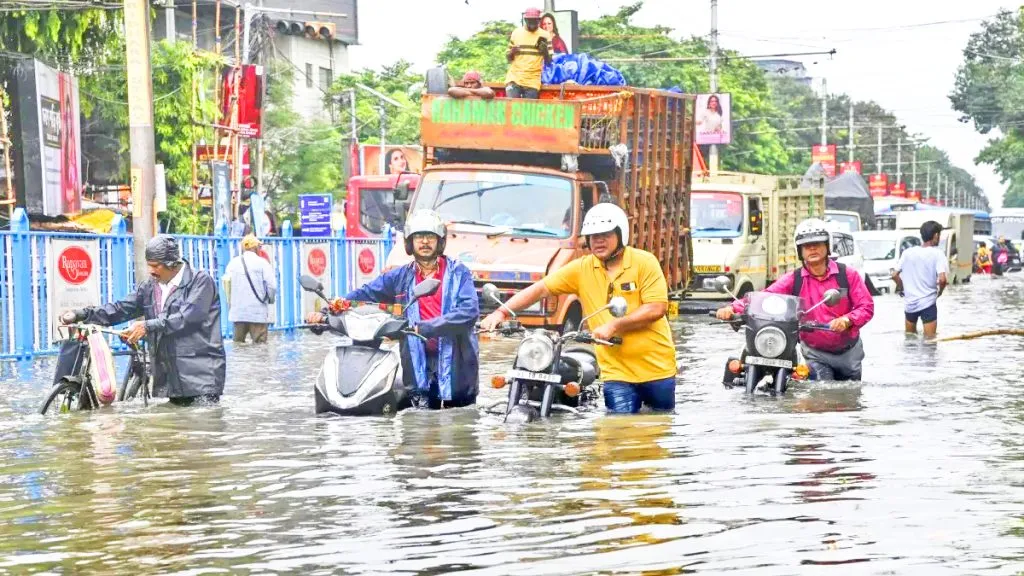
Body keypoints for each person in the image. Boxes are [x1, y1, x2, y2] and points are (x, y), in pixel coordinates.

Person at [480, 203, 678, 414]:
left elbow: (656, 308)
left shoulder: (644, 262)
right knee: (619, 430)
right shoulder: (582, 268)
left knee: (660, 426)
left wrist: (614, 325)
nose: (598, 241)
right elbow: (541, 289)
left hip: (657, 367)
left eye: (605, 234)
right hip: (616, 373)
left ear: (621, 234)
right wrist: (500, 312)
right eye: (593, 236)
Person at [305, 209, 480, 409]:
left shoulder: (459, 273)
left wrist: (423, 328)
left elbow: (469, 312)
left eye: (430, 237)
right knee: (420, 426)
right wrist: (326, 313)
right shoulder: (399, 276)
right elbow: (363, 294)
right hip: (417, 362)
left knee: (459, 424)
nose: (424, 242)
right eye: (419, 237)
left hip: (458, 363)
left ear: (440, 241)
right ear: (409, 242)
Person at [61, 235, 226, 405]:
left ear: (172, 264)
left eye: (155, 266)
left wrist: (146, 326)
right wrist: (82, 314)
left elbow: (186, 318)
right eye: (149, 265)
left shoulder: (200, 282)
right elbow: (120, 309)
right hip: (172, 377)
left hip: (201, 376)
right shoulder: (150, 287)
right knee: (176, 426)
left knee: (201, 425)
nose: (151, 271)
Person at [716, 218, 875, 381]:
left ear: (828, 246)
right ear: (800, 250)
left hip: (849, 352)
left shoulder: (847, 275)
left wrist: (847, 320)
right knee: (822, 392)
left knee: (851, 396)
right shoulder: (794, 279)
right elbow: (765, 296)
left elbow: (866, 307)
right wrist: (732, 308)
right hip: (814, 354)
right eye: (806, 246)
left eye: (818, 243)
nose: (812, 248)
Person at [893, 221, 948, 339]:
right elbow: (942, 280)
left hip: (910, 304)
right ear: (936, 235)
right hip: (928, 304)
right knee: (930, 342)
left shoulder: (907, 253)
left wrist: (902, 287)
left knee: (910, 340)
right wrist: (940, 292)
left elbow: (894, 275)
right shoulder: (937, 254)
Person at [223, 234, 277, 344]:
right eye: (259, 247)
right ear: (255, 248)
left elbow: (226, 285)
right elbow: (272, 286)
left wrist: (231, 304)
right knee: (260, 348)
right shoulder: (262, 263)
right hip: (257, 313)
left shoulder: (232, 264)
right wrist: (270, 300)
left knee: (238, 346)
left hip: (238, 314)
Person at [505, 7, 552, 99]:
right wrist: (512, 52)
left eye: (535, 21)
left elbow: (549, 62)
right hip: (514, 78)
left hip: (532, 80)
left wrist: (545, 51)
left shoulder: (545, 35)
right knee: (513, 107)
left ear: (539, 20)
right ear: (525, 19)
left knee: (529, 110)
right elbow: (508, 58)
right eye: (530, 20)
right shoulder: (516, 33)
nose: (532, 23)